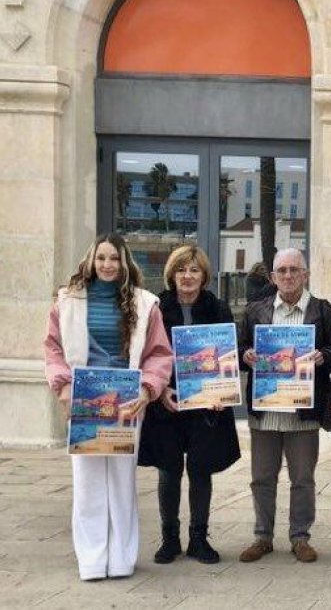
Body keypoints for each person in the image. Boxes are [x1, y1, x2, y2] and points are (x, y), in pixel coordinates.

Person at [43, 233, 174, 580]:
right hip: (84, 396)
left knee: (121, 482)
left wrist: (149, 389)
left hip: (128, 399)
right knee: (87, 484)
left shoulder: (146, 304)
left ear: (124, 262)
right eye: (101, 258)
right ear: (91, 260)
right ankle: (91, 561)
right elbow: (53, 349)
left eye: (114, 258)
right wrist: (64, 386)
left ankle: (120, 559)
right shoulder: (66, 301)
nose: (107, 264)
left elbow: (159, 353)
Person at [139, 245, 241, 565]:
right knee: (169, 470)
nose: (187, 276)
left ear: (204, 276)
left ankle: (199, 538)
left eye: (194, 270)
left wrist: (222, 392)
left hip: (205, 408)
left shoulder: (218, 308)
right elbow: (143, 355)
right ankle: (170, 538)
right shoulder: (155, 307)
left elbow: (228, 357)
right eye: (182, 269)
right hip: (165, 403)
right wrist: (160, 390)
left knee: (200, 470)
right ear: (172, 273)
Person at [237, 248, 331, 564]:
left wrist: (325, 356)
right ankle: (262, 536)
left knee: (302, 479)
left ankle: (300, 538)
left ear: (306, 274)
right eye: (282, 270)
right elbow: (238, 347)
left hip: (303, 411)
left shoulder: (323, 311)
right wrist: (246, 355)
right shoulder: (256, 311)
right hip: (266, 410)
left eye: (295, 270)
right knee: (262, 478)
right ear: (272, 277)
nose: (288, 276)